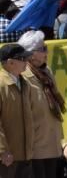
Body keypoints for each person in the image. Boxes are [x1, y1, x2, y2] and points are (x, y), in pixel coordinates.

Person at [18, 32, 64, 178]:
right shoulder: (23, 76)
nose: (47, 51)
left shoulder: (46, 71)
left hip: (51, 141)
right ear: (31, 54)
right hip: (36, 145)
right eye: (43, 48)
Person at [0, 43, 35, 178]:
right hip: (7, 158)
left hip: (25, 156)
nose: (26, 62)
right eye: (22, 59)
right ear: (10, 62)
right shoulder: (1, 84)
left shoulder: (24, 83)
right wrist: (2, 150)